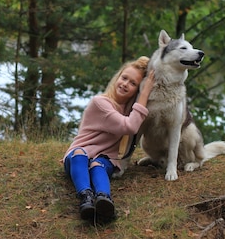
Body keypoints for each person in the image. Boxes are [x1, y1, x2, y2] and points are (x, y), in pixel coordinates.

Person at [62, 56, 155, 224]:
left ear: (137, 90)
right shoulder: (101, 103)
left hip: (105, 159)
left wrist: (147, 89)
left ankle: (104, 200)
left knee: (98, 164)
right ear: (117, 77)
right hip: (78, 158)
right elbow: (130, 126)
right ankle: (86, 198)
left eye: (133, 83)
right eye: (124, 78)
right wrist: (145, 93)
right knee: (79, 154)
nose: (125, 84)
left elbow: (135, 119)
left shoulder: (129, 109)